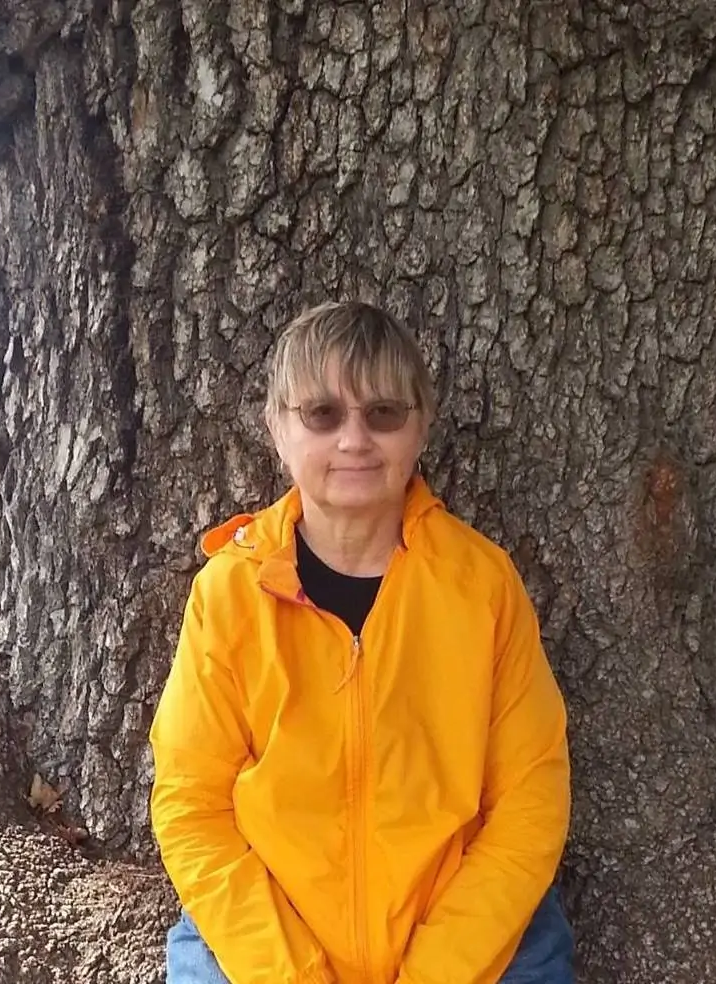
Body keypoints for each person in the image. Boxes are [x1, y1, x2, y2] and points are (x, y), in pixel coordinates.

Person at [149, 301, 574, 984]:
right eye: (322, 414)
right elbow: (191, 805)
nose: (354, 440)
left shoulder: (482, 586)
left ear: (421, 425)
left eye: (383, 413)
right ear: (276, 427)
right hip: (265, 935)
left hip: (469, 936)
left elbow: (530, 802)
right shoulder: (229, 593)